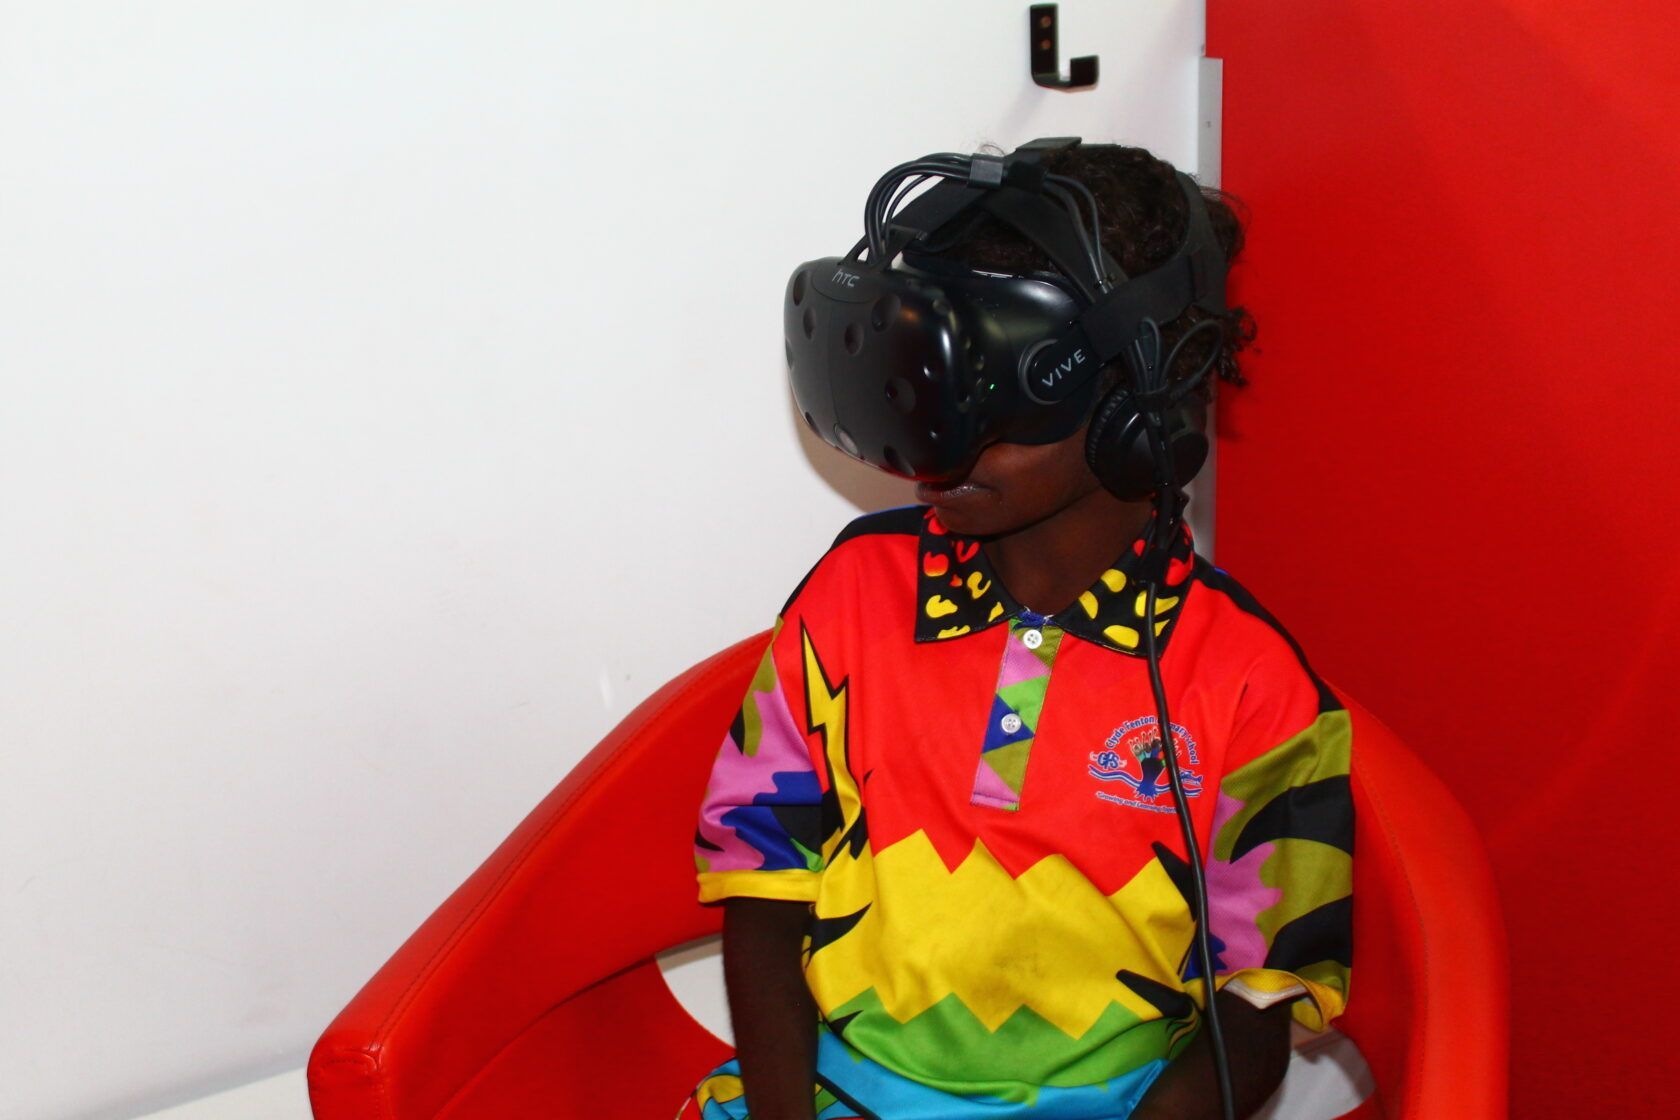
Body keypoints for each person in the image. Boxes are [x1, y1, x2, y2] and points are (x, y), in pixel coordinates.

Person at [685, 143, 1353, 1120]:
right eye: (926, 385)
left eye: (995, 393)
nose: (938, 440)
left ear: (1137, 399)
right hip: (830, 1091)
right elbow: (762, 890)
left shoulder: (1253, 687)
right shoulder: (853, 595)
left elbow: (1250, 1023)